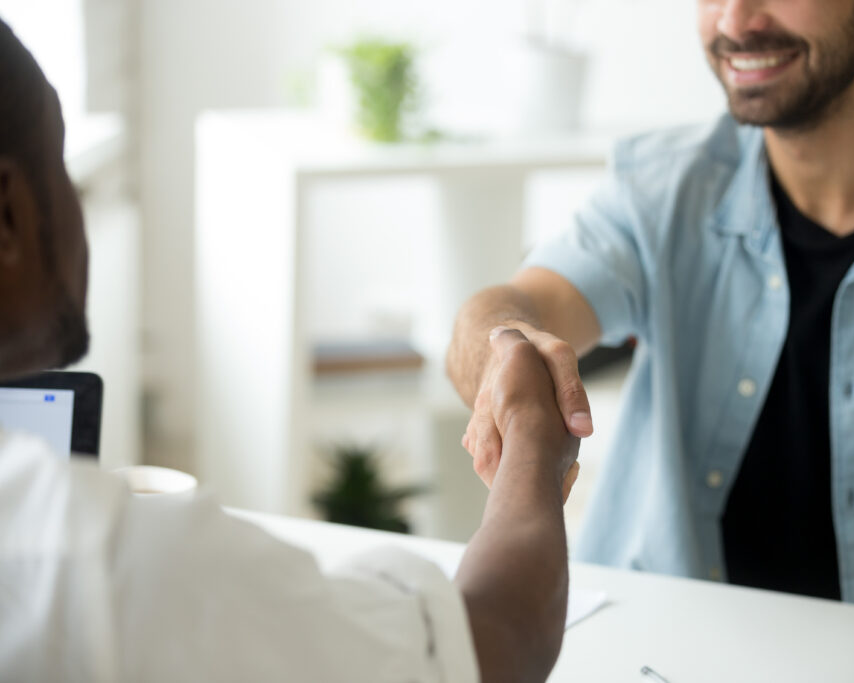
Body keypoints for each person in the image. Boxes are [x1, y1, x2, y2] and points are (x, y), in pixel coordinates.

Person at [0, 19, 579, 683]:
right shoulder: (99, 563)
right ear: (9, 214)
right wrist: (536, 440)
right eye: (63, 171)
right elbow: (497, 640)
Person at [448, 0, 854, 605]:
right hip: (661, 653)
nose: (734, 21)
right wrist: (508, 350)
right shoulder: (661, 189)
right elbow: (511, 307)